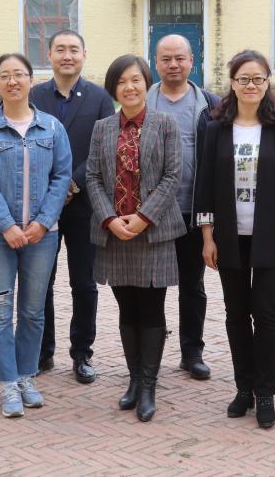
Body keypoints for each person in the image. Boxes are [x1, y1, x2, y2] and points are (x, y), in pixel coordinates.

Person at [196, 50, 275, 429]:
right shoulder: (216, 128)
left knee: (268, 315)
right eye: (244, 79)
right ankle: (244, 389)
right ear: (233, 83)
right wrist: (207, 237)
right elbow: (205, 186)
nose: (251, 85)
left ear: (268, 82)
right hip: (228, 236)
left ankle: (266, 391)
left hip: (271, 237)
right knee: (236, 314)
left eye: (258, 79)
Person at [0, 53, 72, 419]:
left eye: (19, 74)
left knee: (32, 310)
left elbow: (62, 177)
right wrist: (7, 225)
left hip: (42, 236)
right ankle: (8, 382)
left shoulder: (52, 128)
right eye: (5, 76)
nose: (12, 81)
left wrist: (43, 222)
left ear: (31, 79)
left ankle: (27, 375)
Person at [87, 54, 186, 422]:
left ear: (147, 83)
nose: (129, 87)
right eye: (121, 82)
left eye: (136, 80)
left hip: (153, 234)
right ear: (113, 88)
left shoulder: (166, 124)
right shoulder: (102, 128)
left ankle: (148, 385)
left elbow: (173, 176)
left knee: (151, 309)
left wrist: (144, 218)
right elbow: (93, 177)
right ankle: (133, 380)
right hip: (114, 235)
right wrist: (110, 219)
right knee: (127, 308)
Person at [32, 30, 115, 383]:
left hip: (85, 204)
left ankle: (82, 353)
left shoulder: (99, 98)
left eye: (74, 50)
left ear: (84, 55)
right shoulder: (34, 95)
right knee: (41, 282)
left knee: (84, 283)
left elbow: (105, 146)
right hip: (41, 206)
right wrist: (54, 184)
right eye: (60, 50)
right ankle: (42, 351)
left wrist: (72, 182)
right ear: (49, 55)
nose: (67, 56)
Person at [147, 34, 220, 380]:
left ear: (192, 61)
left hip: (192, 212)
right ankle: (151, 354)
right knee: (152, 288)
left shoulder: (211, 105)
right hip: (151, 215)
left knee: (193, 287)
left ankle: (192, 353)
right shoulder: (143, 102)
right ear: (156, 63)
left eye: (180, 58)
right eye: (166, 59)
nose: (173, 65)